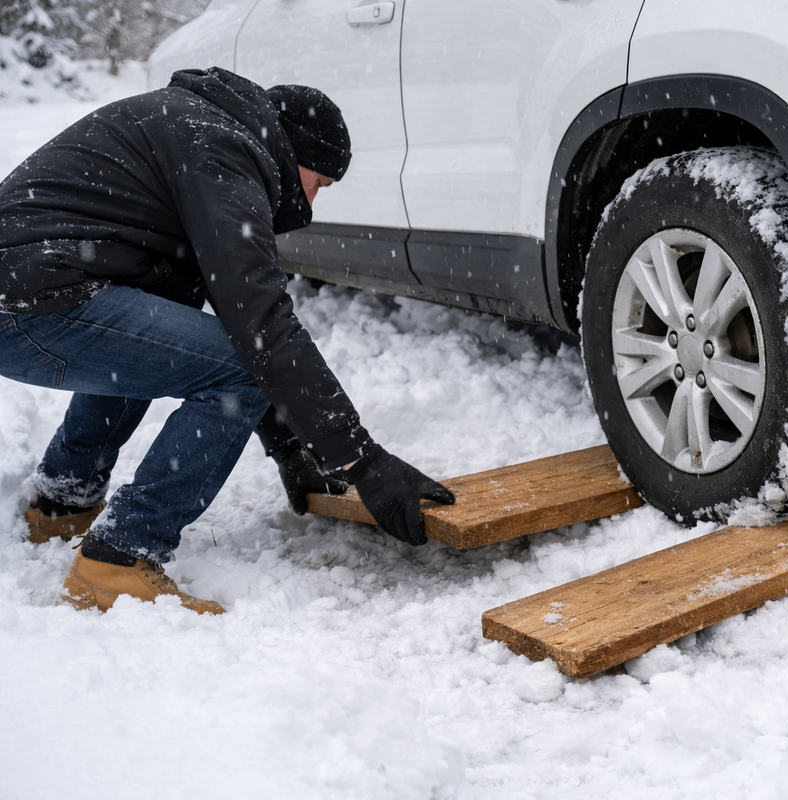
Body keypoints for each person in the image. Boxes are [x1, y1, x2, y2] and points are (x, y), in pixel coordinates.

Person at [0, 66, 454, 615]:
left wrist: (291, 444)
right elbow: (261, 324)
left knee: (154, 343)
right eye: (320, 183)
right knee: (237, 369)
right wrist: (364, 463)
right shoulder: (221, 151)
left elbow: (226, 317)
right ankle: (118, 559)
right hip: (34, 297)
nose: (313, 202)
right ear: (299, 157)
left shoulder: (197, 128)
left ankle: (61, 504)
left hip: (31, 288)